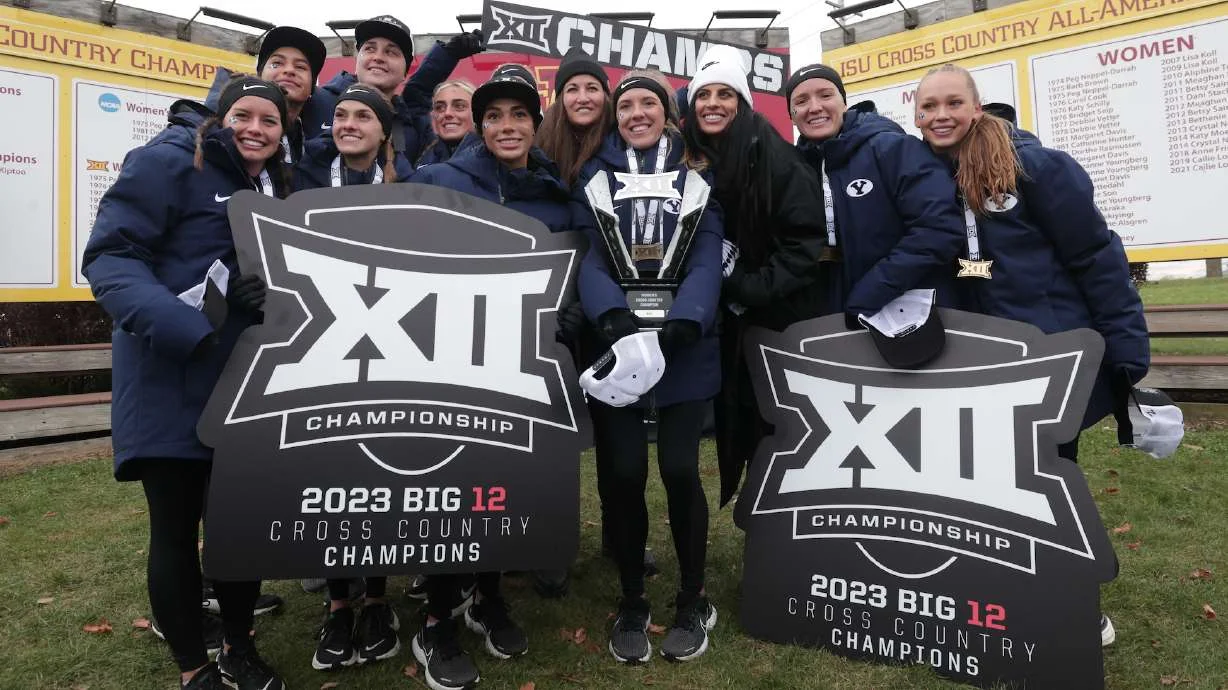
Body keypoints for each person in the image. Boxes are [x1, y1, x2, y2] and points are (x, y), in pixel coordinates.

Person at [912, 63, 1150, 646]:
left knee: (1045, 476)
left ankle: (1076, 601)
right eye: (927, 107)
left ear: (976, 106)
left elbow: (1096, 255)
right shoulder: (922, 174)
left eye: (951, 103)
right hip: (976, 359)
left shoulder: (1035, 167)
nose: (940, 116)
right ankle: (1011, 588)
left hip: (1049, 355)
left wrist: (1126, 349)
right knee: (986, 479)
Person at [82, 76, 291, 690]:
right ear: (219, 117)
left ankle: (238, 648)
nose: (256, 129)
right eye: (244, 116)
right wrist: (183, 326)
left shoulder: (272, 185)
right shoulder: (166, 162)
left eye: (270, 121)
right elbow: (111, 259)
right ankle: (192, 667)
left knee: (236, 526)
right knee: (173, 529)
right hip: (170, 376)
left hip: (239, 381)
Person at [406, 65, 573, 690]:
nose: (508, 126)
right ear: (479, 126)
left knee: (503, 485)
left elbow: (570, 274)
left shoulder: (552, 193)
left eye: (520, 116)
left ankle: (489, 597)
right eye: (495, 116)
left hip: (522, 363)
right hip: (449, 362)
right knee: (455, 489)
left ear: (536, 124)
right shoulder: (437, 180)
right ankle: (436, 621)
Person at [573, 70, 724, 664]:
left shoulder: (698, 177)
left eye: (649, 104)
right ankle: (633, 596)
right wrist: (610, 315)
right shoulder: (595, 178)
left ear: (667, 113)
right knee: (625, 472)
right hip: (618, 345)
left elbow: (710, 251)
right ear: (616, 115)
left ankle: (694, 596)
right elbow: (588, 253)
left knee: (683, 469)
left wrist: (689, 315)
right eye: (628, 105)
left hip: (684, 345)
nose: (638, 113)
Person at [290, 83, 412, 671]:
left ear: (384, 130)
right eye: (340, 114)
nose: (348, 123)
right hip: (321, 347)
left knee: (378, 472)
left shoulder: (407, 185)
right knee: (334, 469)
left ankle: (378, 598)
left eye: (364, 116)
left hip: (388, 347)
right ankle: (339, 603)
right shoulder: (303, 179)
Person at [679, 47, 831, 506]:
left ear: (742, 102)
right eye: (703, 94)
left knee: (784, 429)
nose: (713, 103)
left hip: (778, 321)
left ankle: (790, 529)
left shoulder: (778, 159)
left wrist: (747, 283)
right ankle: (760, 518)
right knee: (742, 423)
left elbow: (804, 245)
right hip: (727, 324)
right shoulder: (689, 158)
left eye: (725, 93)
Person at [786, 62, 966, 321]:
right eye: (802, 101)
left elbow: (940, 229)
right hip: (835, 323)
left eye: (826, 95)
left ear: (844, 103)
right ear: (792, 115)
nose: (815, 107)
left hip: (911, 318)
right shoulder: (794, 168)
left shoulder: (892, 148)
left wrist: (871, 294)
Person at [319, 16, 486, 166]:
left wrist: (448, 54)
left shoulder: (411, 123)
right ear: (357, 59)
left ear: (405, 72)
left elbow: (419, 91)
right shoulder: (316, 101)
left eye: (391, 52)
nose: (378, 57)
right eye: (369, 49)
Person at [205, 26, 329, 163]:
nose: (289, 70)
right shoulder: (207, 133)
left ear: (312, 86)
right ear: (259, 75)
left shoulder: (323, 141)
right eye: (277, 63)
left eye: (300, 67)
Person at [417, 80, 478, 167]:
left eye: (459, 106)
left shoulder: (494, 157)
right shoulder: (423, 155)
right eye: (439, 107)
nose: (447, 113)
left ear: (477, 113)